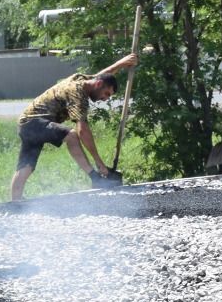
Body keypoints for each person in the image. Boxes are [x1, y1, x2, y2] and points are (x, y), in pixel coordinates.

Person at [8, 55, 139, 201]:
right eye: (106, 94)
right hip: (34, 122)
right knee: (71, 135)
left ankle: (16, 203)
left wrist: (121, 63)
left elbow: (102, 75)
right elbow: (82, 130)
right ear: (98, 85)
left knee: (26, 167)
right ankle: (96, 178)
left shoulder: (81, 79)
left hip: (26, 124)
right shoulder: (78, 94)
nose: (105, 99)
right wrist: (100, 164)